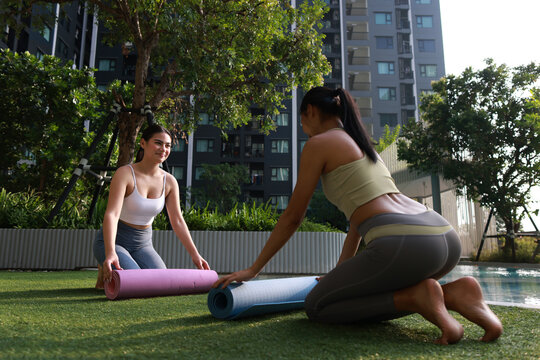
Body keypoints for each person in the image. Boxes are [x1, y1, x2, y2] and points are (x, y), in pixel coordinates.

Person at [213, 87, 502, 344]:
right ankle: (455, 293)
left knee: (318, 307)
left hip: (404, 242)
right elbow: (357, 223)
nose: (305, 131)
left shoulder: (319, 144)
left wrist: (254, 269)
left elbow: (293, 216)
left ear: (310, 112)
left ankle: (418, 296)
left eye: (303, 123)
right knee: (345, 291)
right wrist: (339, 274)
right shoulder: (365, 148)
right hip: (442, 235)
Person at [94, 124, 210, 288]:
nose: (163, 149)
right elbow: (111, 214)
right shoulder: (125, 174)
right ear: (143, 143)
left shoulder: (169, 181)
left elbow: (177, 221)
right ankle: (105, 265)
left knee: (160, 283)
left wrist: (195, 254)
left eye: (168, 145)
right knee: (137, 283)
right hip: (114, 242)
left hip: (143, 244)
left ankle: (112, 273)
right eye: (158, 143)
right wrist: (110, 251)